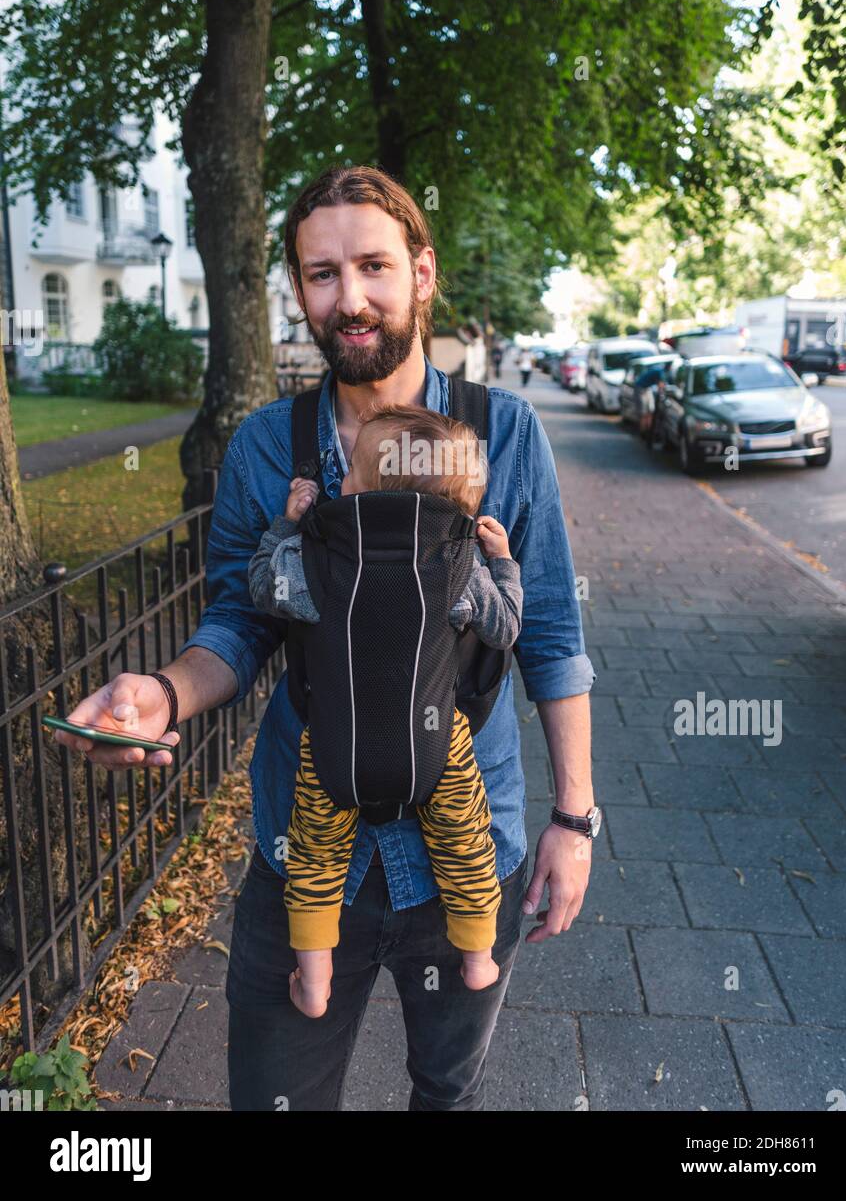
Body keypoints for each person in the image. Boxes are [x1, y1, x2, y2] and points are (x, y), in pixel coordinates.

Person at [58, 164, 597, 1112]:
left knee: (449, 1091)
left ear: (421, 275)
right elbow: (239, 621)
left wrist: (574, 819)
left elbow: (549, 635)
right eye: (320, 274)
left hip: (472, 841)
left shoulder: (503, 434)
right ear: (300, 289)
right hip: (307, 846)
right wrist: (163, 693)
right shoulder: (270, 447)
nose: (348, 299)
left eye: (373, 267)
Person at [246, 403, 523, 1017]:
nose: (339, 481)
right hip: (439, 745)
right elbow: (505, 629)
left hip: (334, 741)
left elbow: (263, 588)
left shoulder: (316, 563)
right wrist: (502, 563)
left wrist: (285, 527)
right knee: (464, 839)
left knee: (315, 851)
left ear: (367, 494)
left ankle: (315, 982)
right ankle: (478, 958)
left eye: (349, 476)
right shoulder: (460, 567)